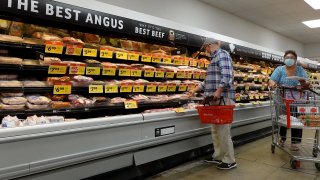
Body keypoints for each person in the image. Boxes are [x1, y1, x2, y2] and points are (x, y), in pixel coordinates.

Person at [189, 39, 236, 170]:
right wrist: (195, 89)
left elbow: (227, 76)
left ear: (208, 46)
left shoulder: (222, 55)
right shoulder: (214, 58)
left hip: (223, 99)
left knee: (223, 131)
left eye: (205, 48)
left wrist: (219, 90)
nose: (205, 51)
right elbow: (207, 82)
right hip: (214, 100)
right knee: (215, 130)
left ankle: (230, 160)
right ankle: (218, 156)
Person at [269, 50, 309, 151]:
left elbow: (306, 83)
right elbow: (272, 80)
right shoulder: (279, 69)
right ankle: (282, 138)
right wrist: (272, 84)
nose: (289, 59)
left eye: (291, 57)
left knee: (297, 121)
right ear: (284, 59)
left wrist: (304, 82)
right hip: (282, 99)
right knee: (283, 119)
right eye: (287, 57)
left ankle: (295, 142)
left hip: (296, 99)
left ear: (295, 60)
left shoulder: (300, 70)